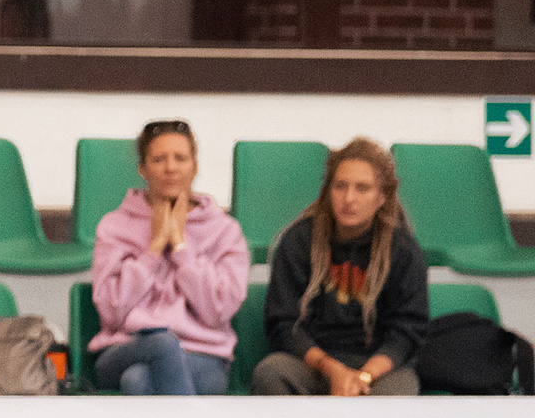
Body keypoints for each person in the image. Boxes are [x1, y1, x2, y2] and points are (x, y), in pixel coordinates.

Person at [252, 139, 430, 397]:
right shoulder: (300, 241)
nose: (349, 198)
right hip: (315, 364)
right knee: (271, 372)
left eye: (363, 188)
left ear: (382, 197)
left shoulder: (402, 248)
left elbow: (408, 330)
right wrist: (334, 371)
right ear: (328, 191)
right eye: (340, 186)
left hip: (377, 370)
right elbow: (284, 323)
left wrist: (363, 376)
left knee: (399, 393)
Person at [86, 119, 251, 395]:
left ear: (194, 166)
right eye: (159, 159)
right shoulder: (114, 226)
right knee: (163, 344)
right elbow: (111, 312)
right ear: (143, 168)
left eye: (180, 158)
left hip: (203, 355)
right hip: (125, 349)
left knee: (137, 382)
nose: (170, 167)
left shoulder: (224, 230)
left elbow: (218, 311)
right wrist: (152, 250)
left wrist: (180, 248)